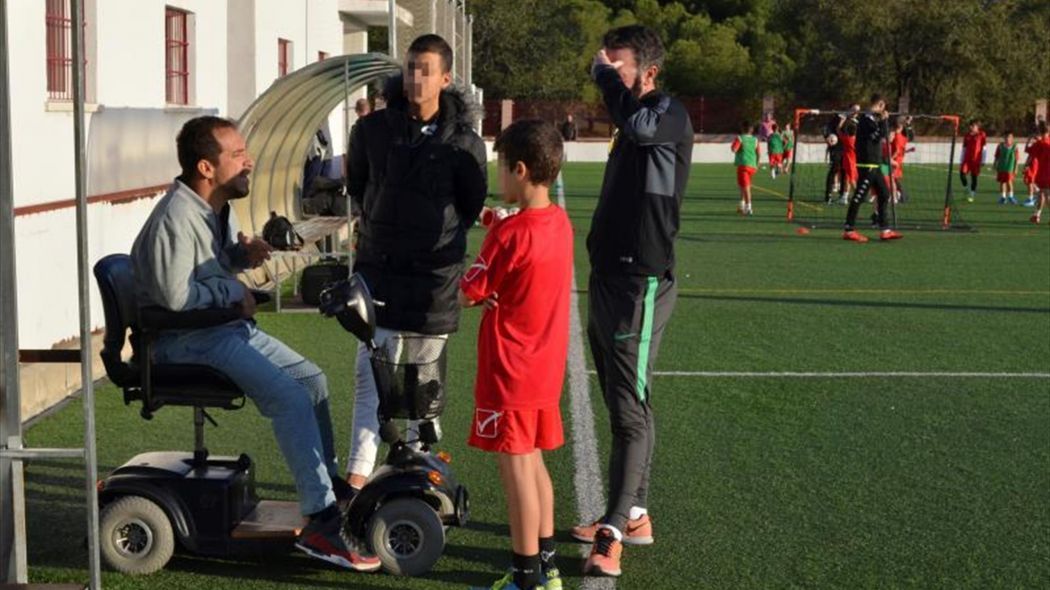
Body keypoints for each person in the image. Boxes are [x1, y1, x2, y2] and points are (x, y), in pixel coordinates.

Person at [130, 116, 377, 571]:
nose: (250, 161)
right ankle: (322, 523)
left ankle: (328, 487)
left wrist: (239, 257)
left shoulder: (212, 209)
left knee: (313, 380)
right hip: (183, 341)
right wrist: (234, 293)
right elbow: (174, 299)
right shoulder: (175, 217)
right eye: (238, 155)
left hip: (217, 330)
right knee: (289, 399)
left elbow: (207, 269)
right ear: (206, 167)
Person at [572, 25, 693, 578]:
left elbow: (641, 125)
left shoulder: (666, 112)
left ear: (648, 71)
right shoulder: (632, 116)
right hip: (609, 276)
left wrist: (605, 81)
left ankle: (614, 530)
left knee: (628, 411)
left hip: (641, 282)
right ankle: (635, 512)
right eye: (604, 64)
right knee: (627, 402)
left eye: (616, 66)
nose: (606, 73)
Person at [344, 34, 488, 492]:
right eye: (410, 67)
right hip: (379, 271)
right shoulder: (371, 130)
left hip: (432, 280)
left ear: (445, 79)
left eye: (425, 69)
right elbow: (359, 186)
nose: (415, 77)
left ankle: (412, 472)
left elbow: (469, 204)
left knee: (422, 385)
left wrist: (433, 237)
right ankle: (356, 478)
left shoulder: (465, 142)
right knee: (371, 379)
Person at [461, 120, 573, 590]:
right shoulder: (557, 221)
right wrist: (494, 218)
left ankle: (524, 578)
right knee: (533, 464)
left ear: (521, 170)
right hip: (543, 367)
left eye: (501, 169)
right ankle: (547, 569)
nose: (497, 178)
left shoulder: (508, 237)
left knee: (516, 474)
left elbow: (471, 290)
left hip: (510, 369)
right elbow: (521, 250)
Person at [842, 94, 902, 242]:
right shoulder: (866, 120)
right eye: (883, 107)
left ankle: (885, 229)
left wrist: (882, 122)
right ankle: (849, 230)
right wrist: (884, 121)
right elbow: (877, 136)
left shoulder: (872, 119)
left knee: (884, 193)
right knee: (859, 197)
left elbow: (880, 136)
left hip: (875, 164)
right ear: (880, 105)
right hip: (867, 164)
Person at [731, 120, 760, 215]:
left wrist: (735, 145)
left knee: (746, 187)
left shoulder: (740, 138)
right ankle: (741, 205)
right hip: (752, 166)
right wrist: (757, 164)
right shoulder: (755, 140)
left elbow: (734, 149)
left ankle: (749, 207)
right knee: (742, 186)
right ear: (751, 130)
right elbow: (758, 153)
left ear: (742, 128)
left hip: (743, 166)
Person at [1026, 121, 1050, 223]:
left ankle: (1037, 215)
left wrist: (1030, 139)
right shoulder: (1045, 142)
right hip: (1045, 173)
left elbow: (1029, 151)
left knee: (1045, 194)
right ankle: (1037, 215)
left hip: (1043, 173)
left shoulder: (1039, 143)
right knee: (1043, 194)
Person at [960, 119, 987, 202]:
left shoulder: (982, 135)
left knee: (974, 177)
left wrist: (983, 160)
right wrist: (961, 159)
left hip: (976, 160)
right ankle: (966, 188)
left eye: (973, 126)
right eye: (970, 126)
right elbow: (964, 148)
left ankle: (972, 194)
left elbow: (984, 148)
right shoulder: (967, 135)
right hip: (967, 159)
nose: (971, 127)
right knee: (962, 174)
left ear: (977, 127)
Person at [993, 132, 1020, 205]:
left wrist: (1016, 168)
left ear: (1012, 138)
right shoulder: (1000, 146)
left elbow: (1017, 159)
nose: (1008, 139)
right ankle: (1003, 197)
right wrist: (994, 164)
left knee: (1009, 182)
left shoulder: (1015, 147)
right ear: (1004, 138)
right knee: (1002, 182)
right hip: (1001, 167)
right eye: (1006, 137)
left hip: (1010, 167)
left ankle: (1011, 197)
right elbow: (997, 156)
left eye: (1010, 137)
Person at [1022, 131, 1041, 207]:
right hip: (1031, 164)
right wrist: (1028, 140)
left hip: (1034, 165)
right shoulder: (1034, 145)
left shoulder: (1039, 146)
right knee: (1028, 181)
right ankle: (1038, 194)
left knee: (1030, 182)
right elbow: (1027, 150)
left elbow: (1033, 157)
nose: (1034, 139)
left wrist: (1027, 165)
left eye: (1036, 138)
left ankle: (1031, 199)